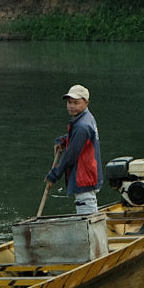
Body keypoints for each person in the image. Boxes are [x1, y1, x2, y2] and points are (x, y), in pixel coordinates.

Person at [45, 84, 103, 214]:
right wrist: (63, 140)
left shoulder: (82, 125)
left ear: (86, 102)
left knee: (87, 217)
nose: (72, 106)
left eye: (76, 103)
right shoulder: (85, 118)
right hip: (88, 174)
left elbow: (70, 156)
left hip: (85, 176)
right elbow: (75, 138)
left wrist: (54, 175)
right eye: (69, 102)